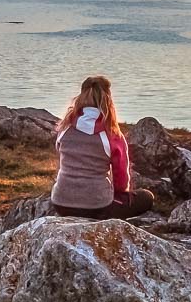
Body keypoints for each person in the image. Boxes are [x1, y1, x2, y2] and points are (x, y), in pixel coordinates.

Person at [49, 75, 156, 219]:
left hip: (61, 203)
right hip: (96, 207)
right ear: (108, 99)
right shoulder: (112, 134)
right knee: (146, 197)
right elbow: (121, 179)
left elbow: (62, 157)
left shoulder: (65, 127)